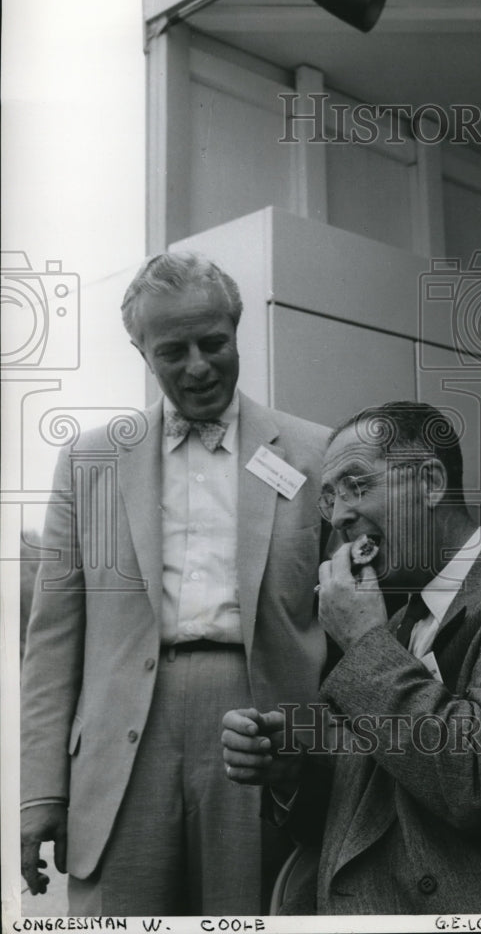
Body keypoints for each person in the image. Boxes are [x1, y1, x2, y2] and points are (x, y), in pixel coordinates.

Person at [20, 251, 329, 915]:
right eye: (172, 351)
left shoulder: (313, 453)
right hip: (122, 739)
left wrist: (321, 753)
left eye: (213, 343)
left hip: (259, 731)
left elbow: (344, 623)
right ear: (141, 351)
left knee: (251, 912)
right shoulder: (90, 462)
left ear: (237, 328)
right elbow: (51, 639)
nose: (197, 366)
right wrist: (41, 790)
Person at [222, 401, 481, 914]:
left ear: (430, 482)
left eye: (356, 487)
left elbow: (477, 781)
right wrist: (293, 773)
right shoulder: (388, 623)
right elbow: (355, 818)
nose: (339, 516)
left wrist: (364, 644)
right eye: (328, 499)